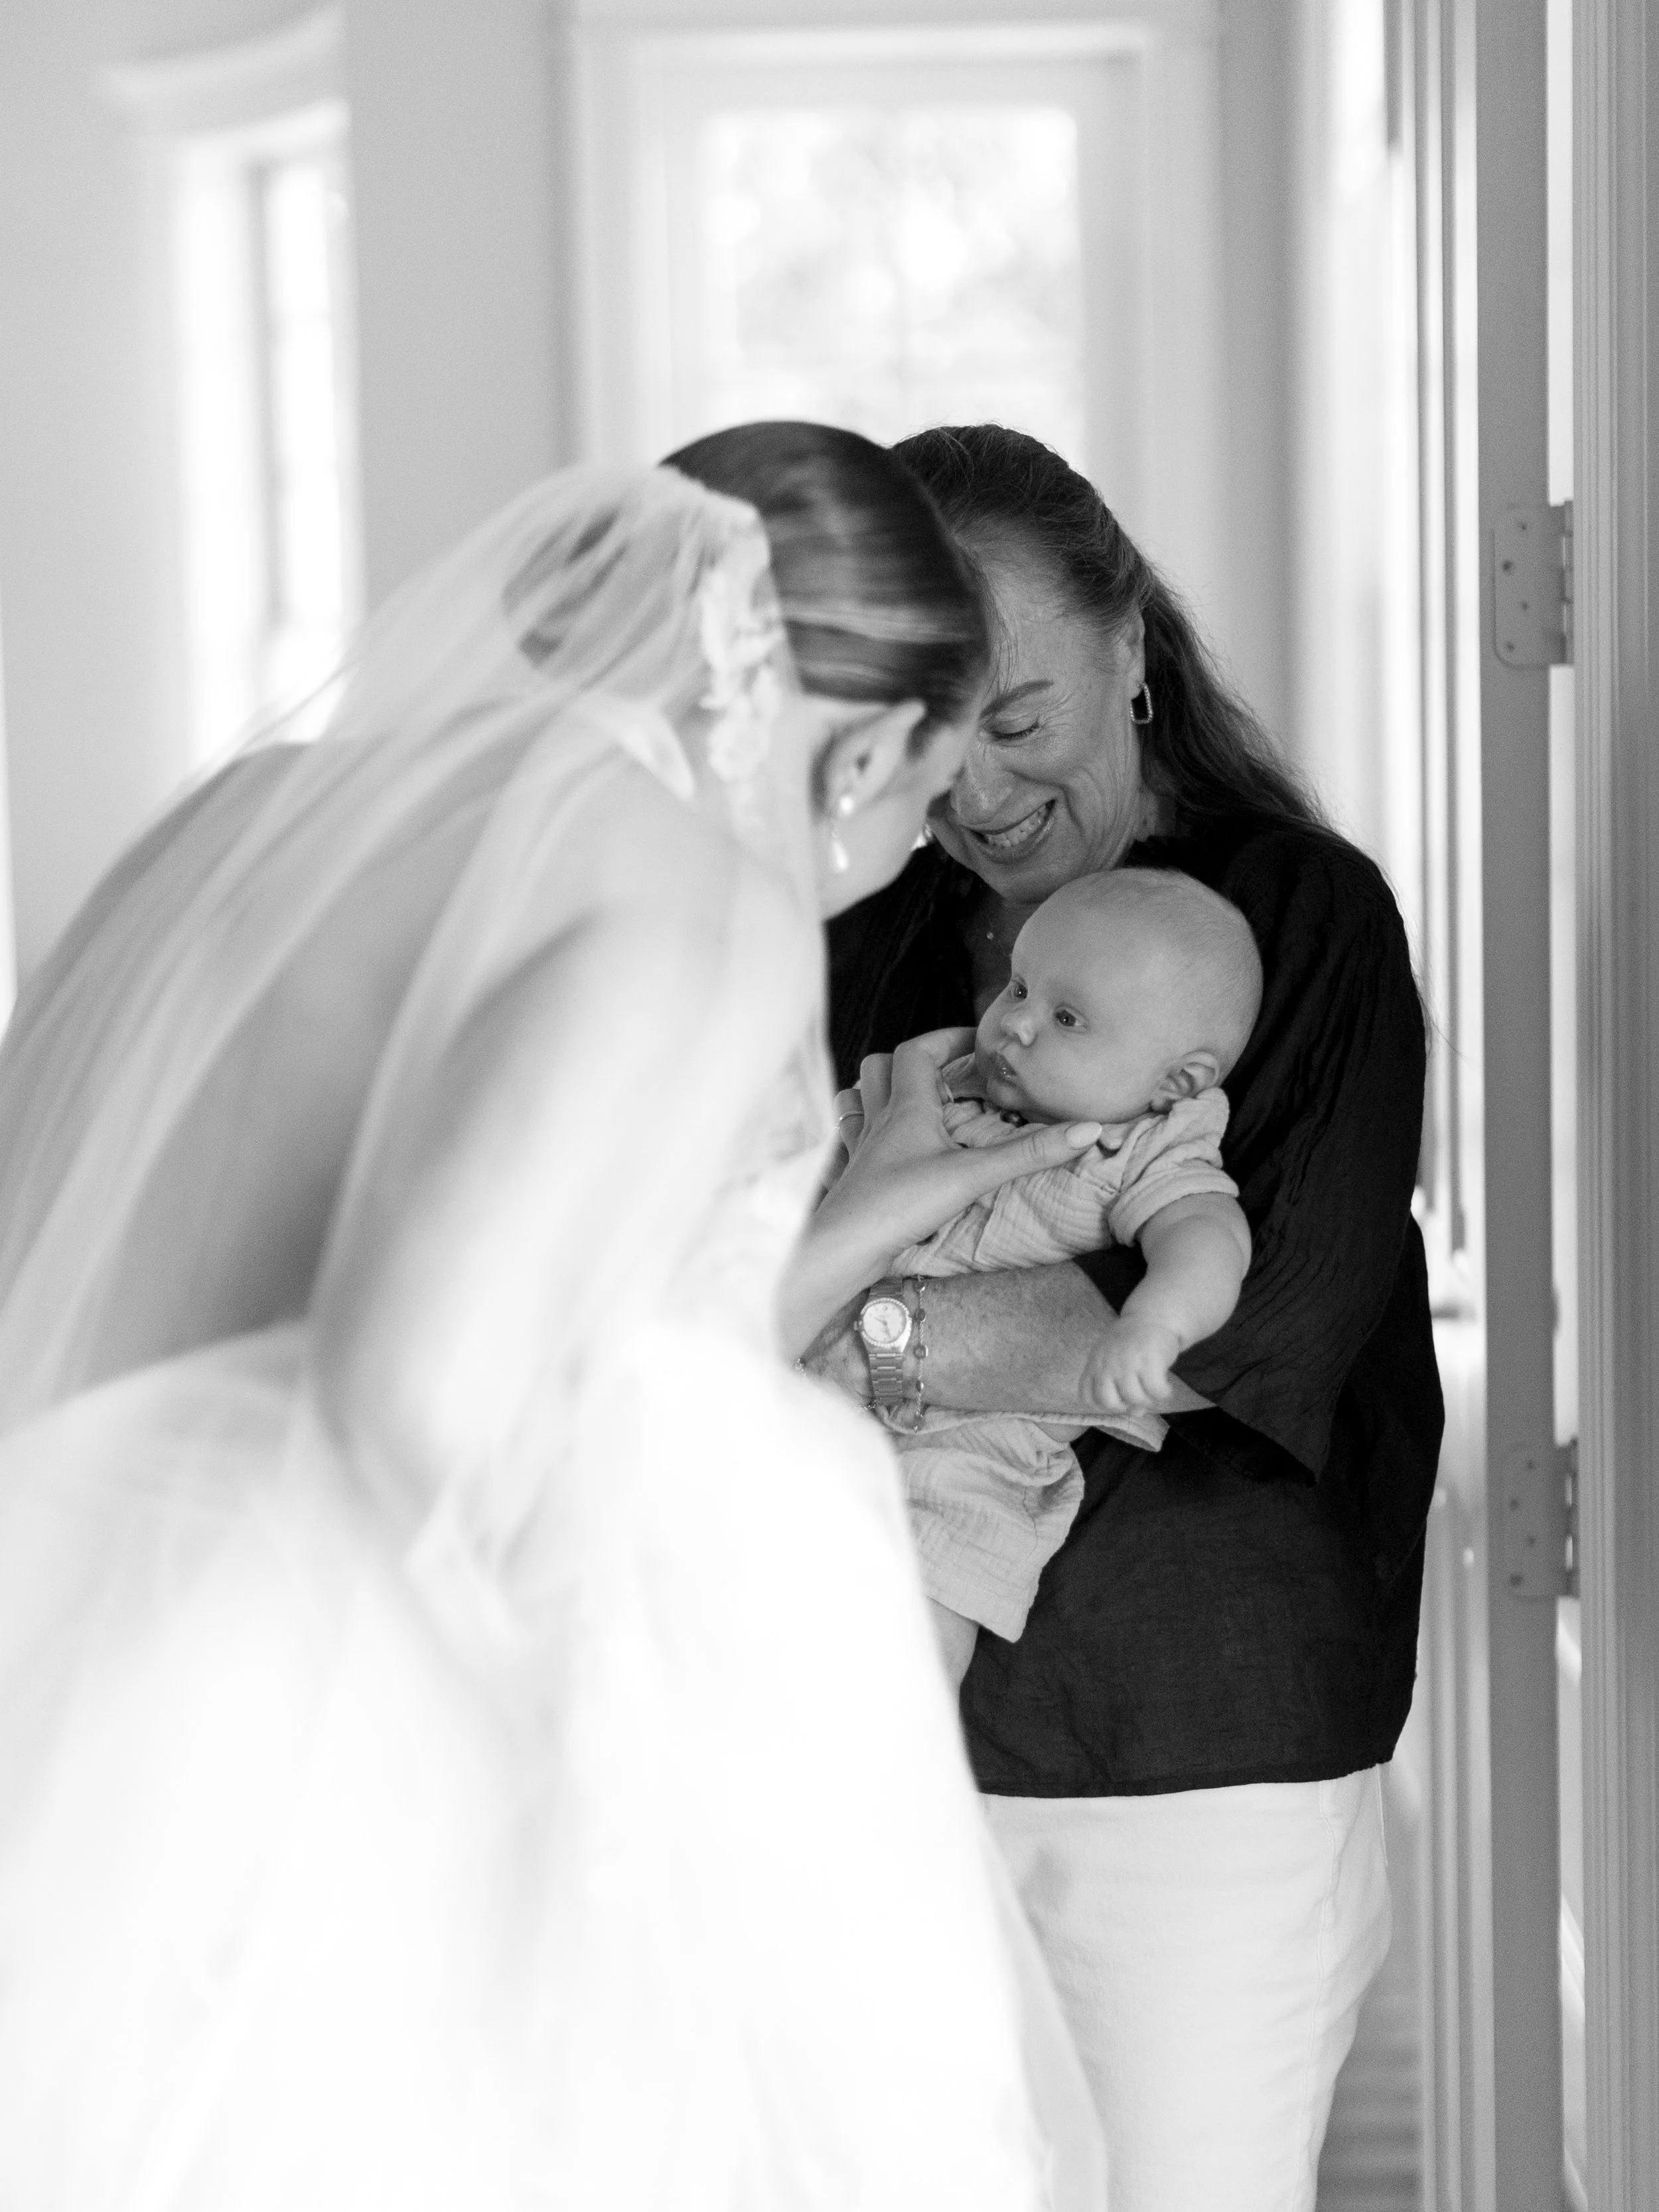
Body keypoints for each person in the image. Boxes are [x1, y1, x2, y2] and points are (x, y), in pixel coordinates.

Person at [0, 427, 1106, 2210]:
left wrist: (866, 1211)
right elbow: (414, 1389)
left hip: (74, 1656)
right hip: (354, 1721)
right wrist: (589, 1763)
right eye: (923, 792)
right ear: (866, 750)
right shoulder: (696, 893)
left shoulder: (252, 815)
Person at [817, 424, 1445, 2212]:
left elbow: (1262, 1320)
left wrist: (877, 1342)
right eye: (929, 735)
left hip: (1193, 1746)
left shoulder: (1293, 916)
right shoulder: (870, 940)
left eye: (1018, 716)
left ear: (1130, 645)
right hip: (882, 1729)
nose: (976, 788)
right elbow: (730, 1250)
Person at [843, 867, 1260, 1687]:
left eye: (1067, 1018)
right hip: (817, 1402)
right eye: (1018, 987)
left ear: (1174, 1083)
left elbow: (1208, 1236)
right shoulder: (945, 1093)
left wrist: (1154, 1322)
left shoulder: (1143, 1149)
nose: (1016, 1024)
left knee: (922, 1610)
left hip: (971, 1446)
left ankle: (889, 1745)